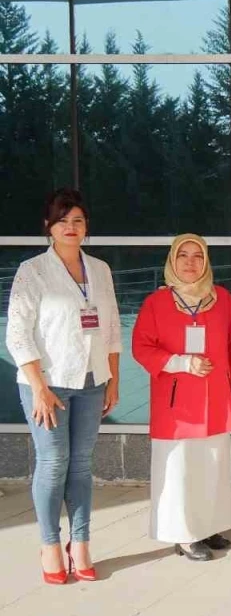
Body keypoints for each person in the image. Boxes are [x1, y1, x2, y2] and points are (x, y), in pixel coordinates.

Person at [6, 188, 120, 584]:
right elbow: (18, 335)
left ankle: (81, 542)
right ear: (48, 227)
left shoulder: (100, 270)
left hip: (92, 381)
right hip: (48, 384)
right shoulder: (33, 271)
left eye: (78, 221)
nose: (71, 227)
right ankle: (50, 544)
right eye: (62, 221)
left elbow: (111, 330)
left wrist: (112, 379)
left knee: (82, 464)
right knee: (54, 462)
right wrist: (38, 387)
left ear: (86, 227)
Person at [132, 234, 231, 562]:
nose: (190, 262)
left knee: (212, 465)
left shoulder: (223, 299)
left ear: (206, 261)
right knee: (180, 469)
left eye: (198, 256)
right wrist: (181, 363)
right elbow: (141, 347)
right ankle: (183, 535)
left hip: (216, 396)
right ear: (172, 260)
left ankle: (208, 526)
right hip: (176, 401)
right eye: (183, 255)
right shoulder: (156, 302)